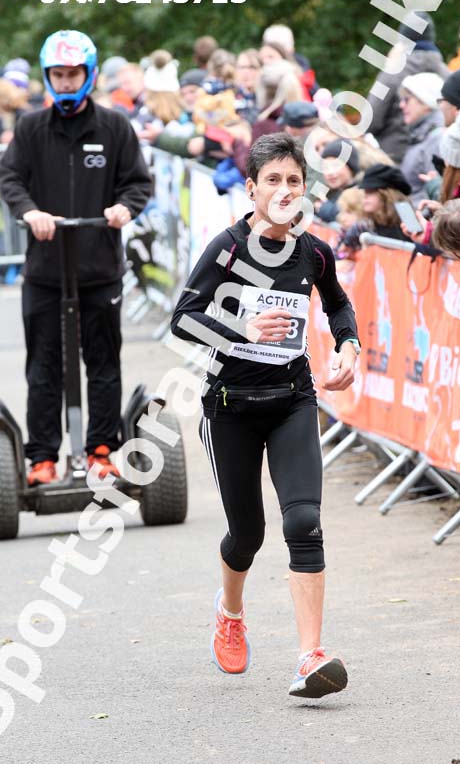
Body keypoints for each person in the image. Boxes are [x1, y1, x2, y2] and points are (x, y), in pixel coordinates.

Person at [171, 133, 359, 697]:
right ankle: (230, 613)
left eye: (293, 181)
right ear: (251, 189)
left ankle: (310, 656)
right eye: (272, 180)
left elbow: (338, 303)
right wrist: (240, 328)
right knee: (248, 533)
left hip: (292, 401)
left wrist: (349, 346)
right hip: (229, 407)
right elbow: (184, 317)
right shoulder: (228, 249)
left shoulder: (313, 251)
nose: (283, 190)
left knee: (303, 523)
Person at [0, 30, 152, 486]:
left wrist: (124, 207)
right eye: (58, 75)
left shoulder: (114, 127)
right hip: (45, 270)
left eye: (73, 74)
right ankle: (43, 458)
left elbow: (137, 182)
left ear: (89, 75)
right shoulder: (30, 128)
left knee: (103, 363)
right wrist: (30, 212)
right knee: (43, 365)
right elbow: (10, 179)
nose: (66, 82)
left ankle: (101, 450)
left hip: (99, 267)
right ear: (48, 77)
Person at [367, 12, 449, 163]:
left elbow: (370, 120)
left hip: (393, 157)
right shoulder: (448, 75)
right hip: (438, 157)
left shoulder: (391, 73)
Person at [398, 73, 444, 205]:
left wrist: (418, 214)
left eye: (406, 99)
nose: (401, 105)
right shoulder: (420, 134)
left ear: (425, 102)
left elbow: (437, 193)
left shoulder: (436, 138)